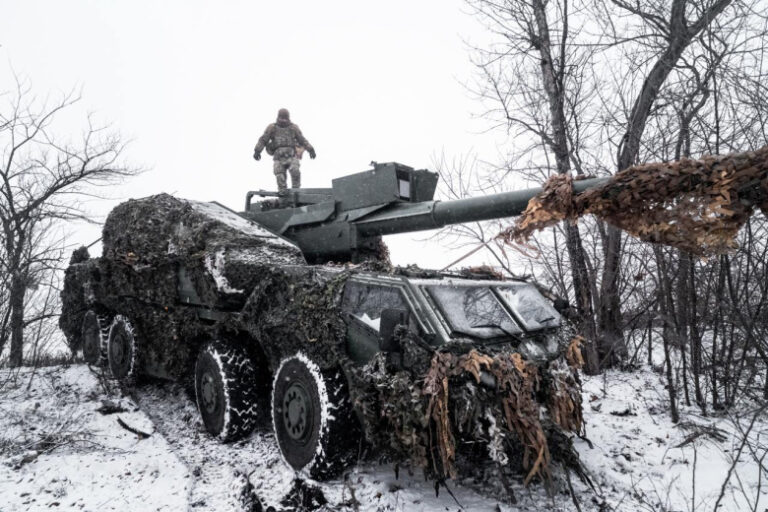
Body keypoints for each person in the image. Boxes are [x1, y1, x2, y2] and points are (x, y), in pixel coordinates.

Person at [253, 108, 316, 194]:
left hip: (292, 156)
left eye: (285, 118)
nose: (283, 120)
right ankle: (283, 195)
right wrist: (257, 151)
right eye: (281, 117)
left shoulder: (293, 128)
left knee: (295, 171)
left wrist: (311, 149)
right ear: (278, 117)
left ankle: (296, 192)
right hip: (278, 157)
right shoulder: (272, 128)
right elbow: (264, 139)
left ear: (288, 118)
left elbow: (302, 140)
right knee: (280, 175)